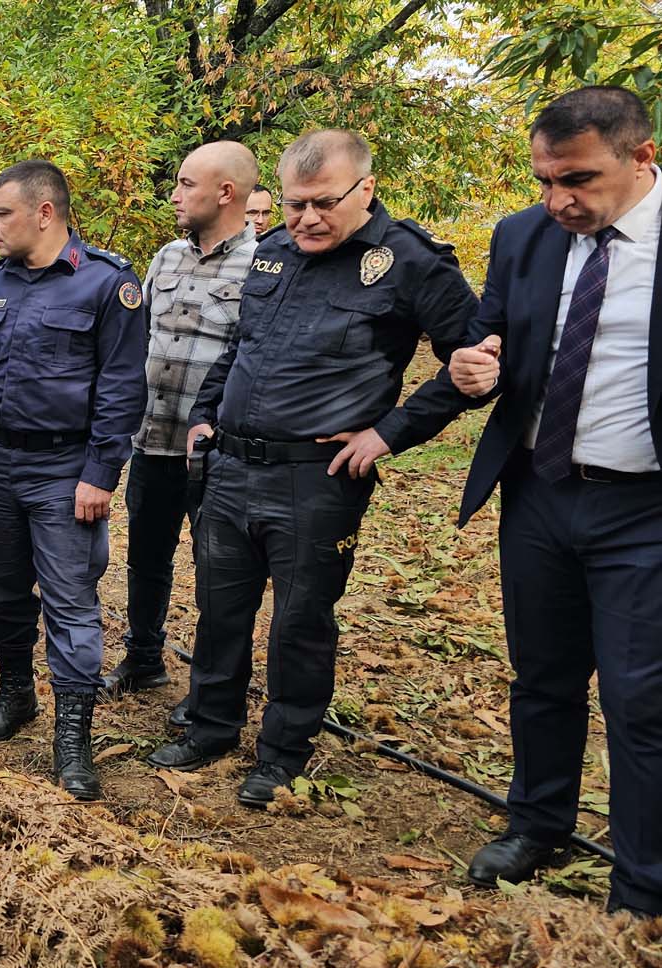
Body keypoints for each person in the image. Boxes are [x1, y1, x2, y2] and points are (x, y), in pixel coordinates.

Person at [145, 130, 480, 808]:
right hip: (232, 466)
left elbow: (476, 361)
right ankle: (210, 726)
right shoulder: (271, 253)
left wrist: (392, 431)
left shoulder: (409, 263)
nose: (305, 220)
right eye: (294, 205)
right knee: (219, 610)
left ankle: (281, 754)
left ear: (365, 189)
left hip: (316, 479)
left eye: (323, 203)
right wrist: (206, 414)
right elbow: (240, 344)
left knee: (299, 623)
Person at [445, 86, 662, 918]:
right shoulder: (522, 236)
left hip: (643, 510)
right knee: (542, 675)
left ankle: (640, 886)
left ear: (641, 157)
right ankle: (537, 824)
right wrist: (474, 367)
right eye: (543, 178)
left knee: (640, 699)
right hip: (537, 491)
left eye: (577, 179)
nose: (557, 199)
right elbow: (488, 335)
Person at [0, 160, 147, 801]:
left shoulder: (107, 285)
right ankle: (16, 691)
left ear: (44, 213)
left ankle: (73, 736)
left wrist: (101, 472)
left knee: (72, 601)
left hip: (65, 468)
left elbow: (123, 387)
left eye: (2, 214)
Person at [108, 142, 259, 723]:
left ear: (226, 193)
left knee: (219, 574)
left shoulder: (266, 266)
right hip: (153, 442)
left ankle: (212, 687)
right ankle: (143, 656)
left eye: (186, 184)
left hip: (216, 454)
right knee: (147, 558)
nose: (174, 194)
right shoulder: (165, 258)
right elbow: (140, 341)